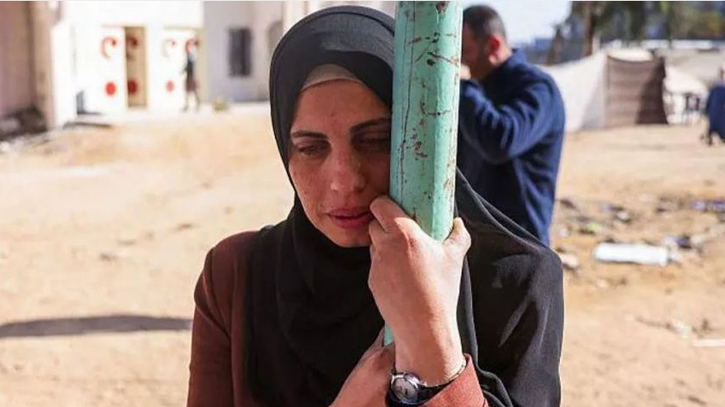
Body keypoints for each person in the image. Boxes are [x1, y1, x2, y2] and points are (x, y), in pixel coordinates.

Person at [187, 6, 563, 407]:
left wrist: (432, 342)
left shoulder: (516, 285)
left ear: (416, 137)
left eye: (375, 140)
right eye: (311, 148)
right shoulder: (236, 279)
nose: (345, 180)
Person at [458, 5, 566, 246]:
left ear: (493, 45)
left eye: (465, 52)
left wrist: (461, 86)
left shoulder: (537, 88)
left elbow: (500, 141)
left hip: (520, 243)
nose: (462, 61)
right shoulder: (475, 90)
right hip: (477, 237)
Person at [704, 65, 725, 145]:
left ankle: (718, 137)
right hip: (715, 107)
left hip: (720, 109)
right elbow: (710, 98)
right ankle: (709, 138)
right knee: (713, 124)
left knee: (721, 125)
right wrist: (706, 108)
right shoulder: (715, 85)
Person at [183, 43, 201, 112]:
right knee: (188, 91)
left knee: (194, 91)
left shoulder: (191, 56)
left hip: (191, 75)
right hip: (189, 76)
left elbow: (191, 67)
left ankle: (197, 104)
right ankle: (187, 105)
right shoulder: (188, 56)